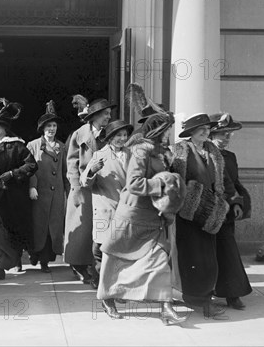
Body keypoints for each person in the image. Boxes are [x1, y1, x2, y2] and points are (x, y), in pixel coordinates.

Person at [98, 111, 188, 325]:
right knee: (115, 258)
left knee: (158, 260)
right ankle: (107, 299)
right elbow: (134, 183)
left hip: (153, 218)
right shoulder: (140, 150)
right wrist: (161, 185)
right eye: (166, 130)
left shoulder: (160, 152)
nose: (169, 134)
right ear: (157, 130)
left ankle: (165, 307)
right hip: (132, 215)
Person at [171, 113, 232, 318]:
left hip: (209, 211)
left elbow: (220, 180)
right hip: (188, 213)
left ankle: (204, 297)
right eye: (202, 129)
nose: (206, 132)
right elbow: (175, 180)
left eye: (208, 129)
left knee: (208, 256)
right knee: (191, 255)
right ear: (191, 132)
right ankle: (196, 298)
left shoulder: (212, 150)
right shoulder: (179, 151)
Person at [0, 98, 38, 281]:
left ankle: (15, 258)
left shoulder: (17, 145)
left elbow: (31, 166)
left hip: (13, 196)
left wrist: (12, 174)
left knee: (12, 229)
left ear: (5, 127)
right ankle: (0, 267)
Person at [64, 98, 115, 287]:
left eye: (110, 114)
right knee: (82, 229)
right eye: (105, 114)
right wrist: (75, 187)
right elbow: (71, 163)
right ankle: (79, 265)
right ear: (94, 116)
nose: (108, 118)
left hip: (103, 186)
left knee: (99, 230)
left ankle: (96, 269)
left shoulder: (110, 133)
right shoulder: (80, 134)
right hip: (83, 187)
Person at [209, 113, 253, 310]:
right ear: (210, 134)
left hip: (226, 214)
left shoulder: (230, 157)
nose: (226, 138)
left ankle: (232, 293)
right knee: (203, 253)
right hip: (205, 212)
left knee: (227, 251)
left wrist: (237, 203)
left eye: (228, 134)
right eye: (222, 134)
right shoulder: (203, 154)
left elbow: (233, 183)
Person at [80, 119, 132, 274]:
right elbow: (84, 182)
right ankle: (99, 280)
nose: (122, 138)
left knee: (123, 249)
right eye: (118, 135)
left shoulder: (132, 154)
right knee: (101, 249)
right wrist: (92, 171)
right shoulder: (99, 155)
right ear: (110, 138)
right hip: (106, 209)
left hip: (127, 210)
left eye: (125, 135)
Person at [26, 101, 68, 273]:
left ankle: (45, 261)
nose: (51, 129)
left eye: (54, 126)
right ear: (42, 129)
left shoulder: (62, 146)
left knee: (53, 228)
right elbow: (29, 169)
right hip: (39, 194)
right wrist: (32, 187)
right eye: (48, 126)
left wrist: (68, 193)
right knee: (39, 226)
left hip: (57, 194)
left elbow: (66, 171)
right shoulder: (33, 145)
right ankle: (34, 255)